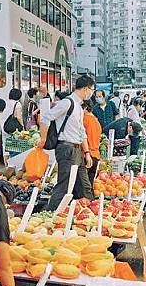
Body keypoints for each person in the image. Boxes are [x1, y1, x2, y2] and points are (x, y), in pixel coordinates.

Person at [39, 75, 96, 209]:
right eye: (91, 90)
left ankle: (88, 214)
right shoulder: (67, 103)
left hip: (77, 150)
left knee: (84, 185)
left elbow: (82, 132)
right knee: (64, 185)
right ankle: (50, 215)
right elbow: (46, 118)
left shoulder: (79, 107)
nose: (91, 93)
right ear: (86, 88)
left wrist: (87, 153)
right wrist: (43, 138)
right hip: (66, 149)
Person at [83, 100, 102, 188]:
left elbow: (83, 138)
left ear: (85, 107)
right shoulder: (96, 121)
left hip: (86, 155)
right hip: (96, 156)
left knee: (82, 186)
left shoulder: (84, 120)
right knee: (90, 185)